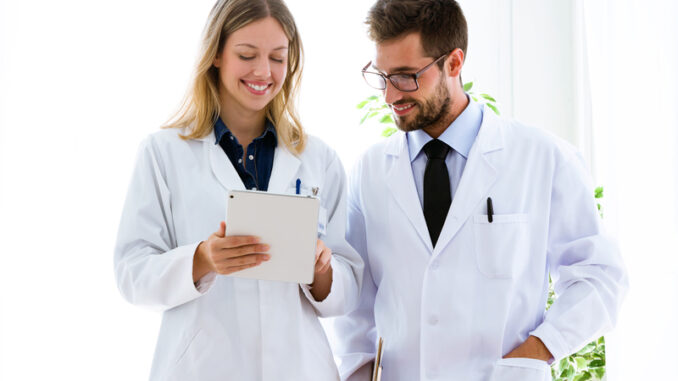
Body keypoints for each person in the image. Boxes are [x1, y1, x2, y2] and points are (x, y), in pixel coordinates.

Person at [333, 1, 628, 380]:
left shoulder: (543, 157)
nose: (390, 96)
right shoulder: (369, 170)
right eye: (383, 76)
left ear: (453, 64)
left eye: (406, 76)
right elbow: (355, 302)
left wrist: (537, 353)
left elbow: (600, 275)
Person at [114, 1, 363, 380]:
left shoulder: (319, 159)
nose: (264, 72)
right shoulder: (163, 153)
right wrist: (203, 259)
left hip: (298, 367)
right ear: (215, 53)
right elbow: (132, 273)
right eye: (247, 55)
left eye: (278, 58)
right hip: (203, 367)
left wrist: (321, 270)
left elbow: (347, 285)